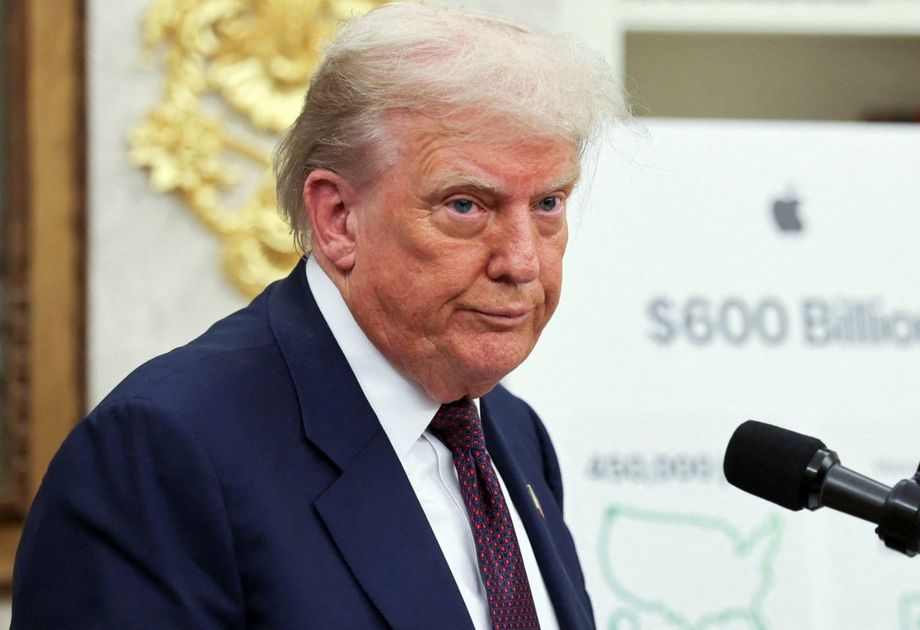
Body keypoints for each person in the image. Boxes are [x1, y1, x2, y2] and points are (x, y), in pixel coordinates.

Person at [12, 4, 627, 628]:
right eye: (465, 205)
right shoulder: (164, 451)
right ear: (338, 219)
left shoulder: (509, 429)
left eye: (548, 204)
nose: (522, 262)